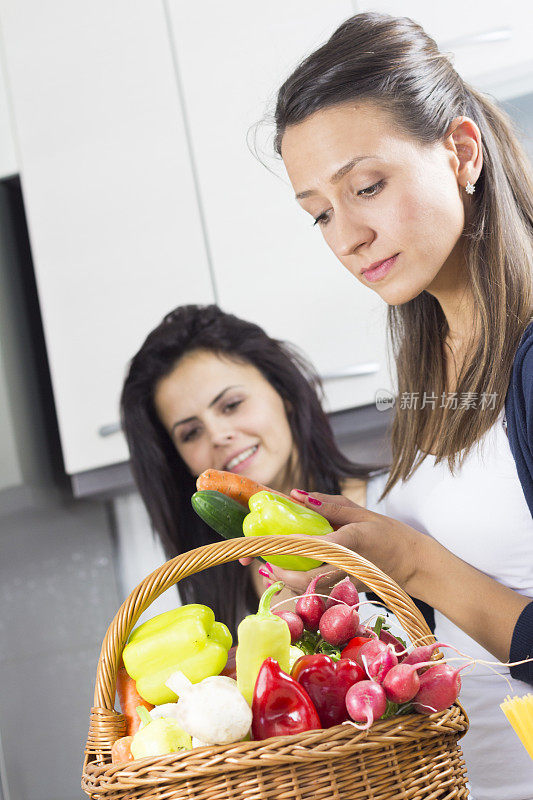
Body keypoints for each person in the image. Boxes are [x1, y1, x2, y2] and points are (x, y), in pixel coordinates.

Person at [253, 11, 533, 799]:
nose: (345, 235)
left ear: (460, 151)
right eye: (318, 212)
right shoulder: (432, 361)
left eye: (365, 187)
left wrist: (410, 560)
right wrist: (347, 586)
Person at [120, 303, 374, 638]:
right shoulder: (218, 593)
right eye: (191, 433)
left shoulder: (396, 506)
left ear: (282, 392)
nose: (218, 435)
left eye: (231, 404)